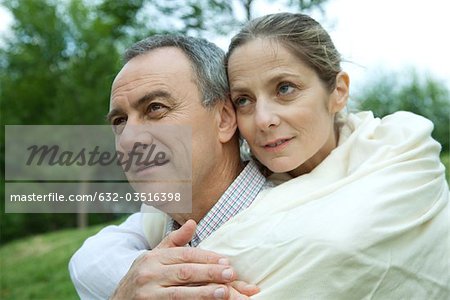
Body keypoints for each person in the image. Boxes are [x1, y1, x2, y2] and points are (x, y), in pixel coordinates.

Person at [69, 35, 264, 300]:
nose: (128, 139)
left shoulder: (299, 227)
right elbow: (88, 261)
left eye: (155, 108)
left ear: (224, 119)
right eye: (119, 121)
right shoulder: (160, 220)